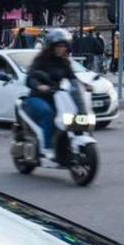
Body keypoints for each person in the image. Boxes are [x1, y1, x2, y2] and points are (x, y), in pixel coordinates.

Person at [23, 27, 76, 155]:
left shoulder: (65, 63)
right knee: (48, 113)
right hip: (37, 98)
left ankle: (66, 144)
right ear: (51, 46)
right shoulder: (40, 60)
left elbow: (73, 78)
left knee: (70, 116)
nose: (61, 49)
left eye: (63, 46)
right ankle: (46, 147)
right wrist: (39, 86)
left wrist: (85, 86)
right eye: (58, 46)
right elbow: (30, 78)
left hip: (56, 98)